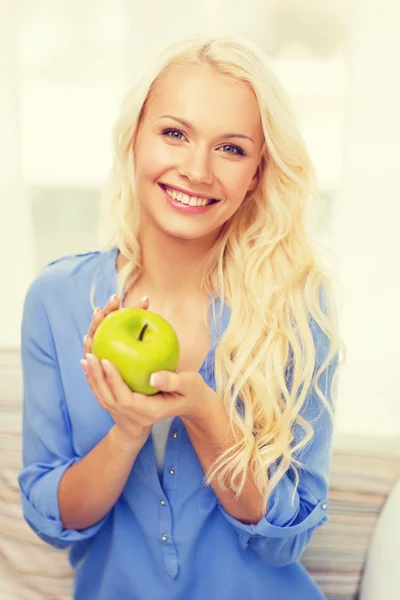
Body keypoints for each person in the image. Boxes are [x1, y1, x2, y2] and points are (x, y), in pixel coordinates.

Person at [18, 33, 344, 600]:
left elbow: (284, 540)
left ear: (258, 174)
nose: (196, 170)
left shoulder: (296, 305)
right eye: (175, 133)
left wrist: (205, 416)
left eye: (231, 148)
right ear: (134, 141)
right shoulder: (56, 300)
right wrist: (128, 429)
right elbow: (55, 521)